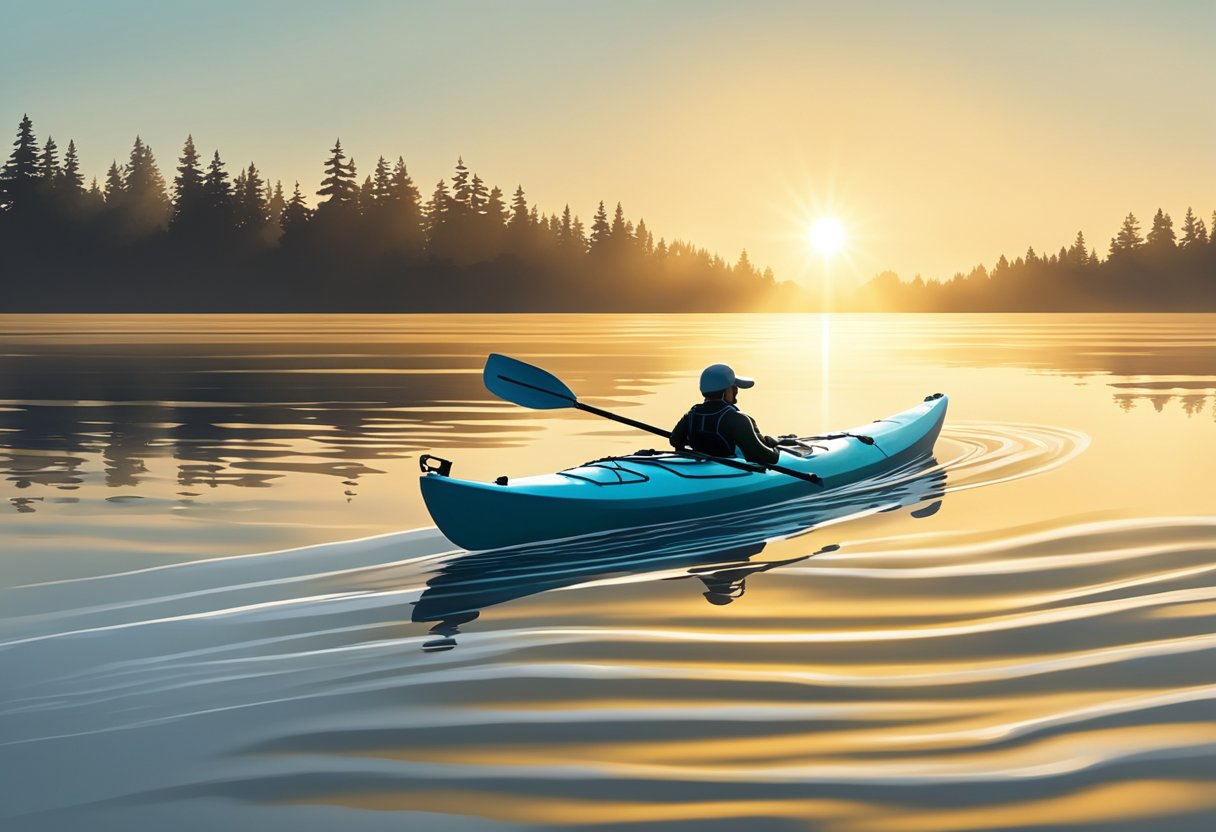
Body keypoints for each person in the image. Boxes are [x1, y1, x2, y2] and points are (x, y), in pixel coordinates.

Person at [670, 363, 780, 465]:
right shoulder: (738, 419)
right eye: (734, 388)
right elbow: (768, 458)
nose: (736, 394)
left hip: (700, 465)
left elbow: (675, 440)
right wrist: (778, 449)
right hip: (727, 470)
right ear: (725, 391)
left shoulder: (691, 415)